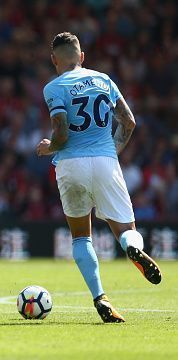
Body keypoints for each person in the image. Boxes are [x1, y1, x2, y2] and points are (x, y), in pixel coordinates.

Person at [36, 32, 163, 323]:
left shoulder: (53, 87)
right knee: (125, 229)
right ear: (82, 57)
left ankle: (101, 298)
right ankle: (132, 248)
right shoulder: (104, 80)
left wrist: (48, 147)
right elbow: (129, 122)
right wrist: (112, 150)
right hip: (106, 160)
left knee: (81, 235)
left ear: (54, 59)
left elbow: (61, 132)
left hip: (70, 164)